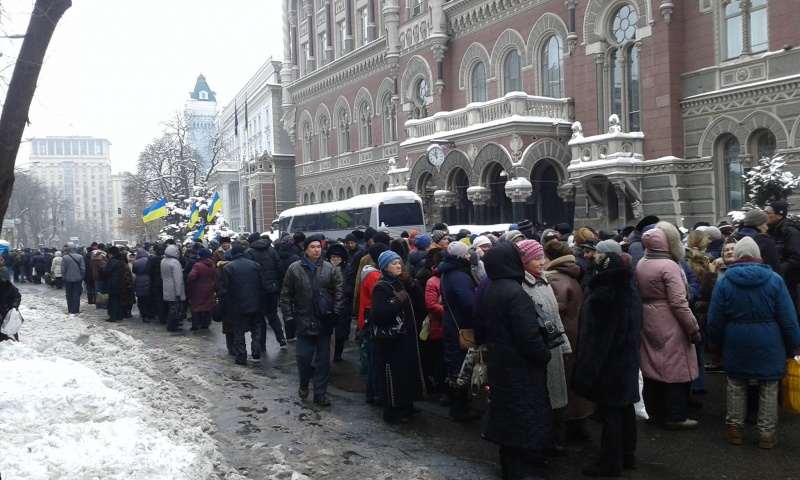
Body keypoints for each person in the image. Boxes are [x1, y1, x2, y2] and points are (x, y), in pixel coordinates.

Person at [707, 236, 800, 449]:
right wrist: (794, 344)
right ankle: (766, 435)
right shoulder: (774, 280)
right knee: (768, 385)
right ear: (758, 255)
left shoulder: (726, 281)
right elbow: (788, 317)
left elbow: (715, 319)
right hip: (770, 341)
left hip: (735, 339)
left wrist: (715, 347)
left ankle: (735, 430)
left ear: (737, 255)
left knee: (736, 384)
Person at [481, 241, 552, 480]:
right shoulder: (515, 292)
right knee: (522, 415)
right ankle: (518, 471)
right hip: (519, 366)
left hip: (501, 363)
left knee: (507, 415)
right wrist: (544, 354)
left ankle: (510, 466)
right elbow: (527, 336)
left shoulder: (493, 287)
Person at [573, 252, 643, 477]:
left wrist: (588, 374)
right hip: (628, 360)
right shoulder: (631, 291)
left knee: (610, 413)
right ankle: (627, 456)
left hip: (608, 366)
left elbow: (596, 341)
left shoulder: (602, 297)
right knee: (625, 409)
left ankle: (610, 462)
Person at [636, 222, 702, 430]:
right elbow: (678, 302)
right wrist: (693, 328)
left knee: (652, 367)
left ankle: (654, 412)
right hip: (671, 320)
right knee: (676, 368)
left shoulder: (642, 263)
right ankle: (675, 416)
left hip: (648, 317)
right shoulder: (669, 266)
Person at [518, 239, 572, 456]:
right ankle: (544, 442)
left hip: (555, 348)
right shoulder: (522, 285)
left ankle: (556, 439)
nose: (542, 262)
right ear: (525, 261)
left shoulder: (545, 282)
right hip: (539, 351)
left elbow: (555, 318)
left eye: (543, 257)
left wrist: (565, 345)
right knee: (542, 400)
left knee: (556, 399)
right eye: (537, 258)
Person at [280, 234, 344, 406]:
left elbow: (339, 293)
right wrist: (289, 317)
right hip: (303, 320)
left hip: (324, 320)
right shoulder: (294, 269)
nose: (317, 250)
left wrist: (336, 314)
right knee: (303, 356)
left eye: (319, 246)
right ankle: (303, 383)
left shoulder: (330, 269)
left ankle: (320, 392)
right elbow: (286, 295)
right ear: (305, 249)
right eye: (313, 247)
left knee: (323, 360)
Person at [543, 240, 594, 444]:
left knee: (561, 384)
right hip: (574, 335)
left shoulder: (555, 280)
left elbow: (550, 312)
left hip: (564, 338)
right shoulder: (569, 276)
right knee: (572, 383)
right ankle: (579, 427)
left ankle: (561, 433)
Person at [370, 250, 427, 424]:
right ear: (385, 267)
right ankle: (392, 410)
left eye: (399, 262)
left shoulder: (401, 282)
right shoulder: (382, 286)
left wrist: (412, 284)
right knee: (393, 374)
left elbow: (419, 301)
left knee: (407, 371)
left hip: (406, 335)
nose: (398, 266)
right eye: (393, 263)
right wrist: (396, 301)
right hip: (392, 338)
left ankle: (406, 404)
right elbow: (378, 314)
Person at [438, 240, 482, 423]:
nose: (469, 256)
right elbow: (469, 304)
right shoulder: (459, 276)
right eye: (466, 254)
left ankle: (457, 405)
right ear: (459, 256)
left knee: (454, 362)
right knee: (460, 365)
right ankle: (460, 409)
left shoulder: (447, 272)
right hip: (460, 326)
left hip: (451, 323)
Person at [219, 243, 264, 365]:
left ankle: (241, 356)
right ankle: (256, 351)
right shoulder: (255, 265)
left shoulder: (228, 268)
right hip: (255, 303)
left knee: (238, 331)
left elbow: (223, 290)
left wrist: (222, 307)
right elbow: (261, 285)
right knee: (256, 328)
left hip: (236, 305)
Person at [245, 233, 287, 350]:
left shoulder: (249, 253)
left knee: (259, 317)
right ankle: (281, 338)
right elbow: (280, 268)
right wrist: (277, 284)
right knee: (273, 314)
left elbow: (250, 273)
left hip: (258, 290)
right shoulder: (272, 250)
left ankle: (262, 345)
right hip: (273, 288)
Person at [765, 200, 800, 309]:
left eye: (768, 213)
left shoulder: (790, 232)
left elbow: (797, 257)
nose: (764, 216)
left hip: (788, 286)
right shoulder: (769, 232)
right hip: (774, 283)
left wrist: (778, 271)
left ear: (780, 215)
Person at [325, 242, 351, 361]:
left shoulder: (348, 269)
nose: (335, 260)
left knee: (341, 331)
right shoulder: (324, 269)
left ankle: (338, 354)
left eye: (338, 257)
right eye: (333, 257)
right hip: (328, 304)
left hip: (344, 305)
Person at [186, 248, 216, 331]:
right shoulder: (212, 264)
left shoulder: (197, 265)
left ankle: (195, 326)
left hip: (198, 289)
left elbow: (191, 277)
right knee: (207, 307)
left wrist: (190, 284)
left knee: (196, 307)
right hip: (210, 288)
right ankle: (205, 325)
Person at [161, 244, 186, 332]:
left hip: (166, 287)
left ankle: (172, 323)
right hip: (174, 288)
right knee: (175, 308)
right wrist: (178, 293)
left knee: (170, 307)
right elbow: (178, 279)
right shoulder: (175, 262)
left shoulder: (163, 260)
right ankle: (172, 325)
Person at [100, 246, 128, 322]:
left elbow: (105, 272)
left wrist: (101, 269)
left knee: (113, 300)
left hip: (112, 284)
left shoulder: (112, 262)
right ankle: (119, 316)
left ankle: (113, 317)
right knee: (119, 300)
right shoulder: (122, 261)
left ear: (111, 254)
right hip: (121, 283)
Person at [61, 242, 85, 315]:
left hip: (68, 278)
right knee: (76, 294)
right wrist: (82, 276)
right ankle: (76, 309)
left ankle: (70, 309)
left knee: (69, 294)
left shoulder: (65, 257)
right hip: (78, 278)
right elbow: (83, 268)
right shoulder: (80, 257)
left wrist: (64, 277)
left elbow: (63, 269)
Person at [0, 267, 22, 342]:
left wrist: (14, 306)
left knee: (10, 327)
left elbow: (17, 296)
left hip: (7, 310)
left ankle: (13, 342)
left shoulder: (9, 286)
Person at [132, 248, 153, 322]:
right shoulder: (149, 260)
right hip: (148, 279)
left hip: (139, 280)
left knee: (140, 298)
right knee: (148, 298)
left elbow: (134, 271)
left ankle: (142, 312)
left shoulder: (135, 262)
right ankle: (148, 314)